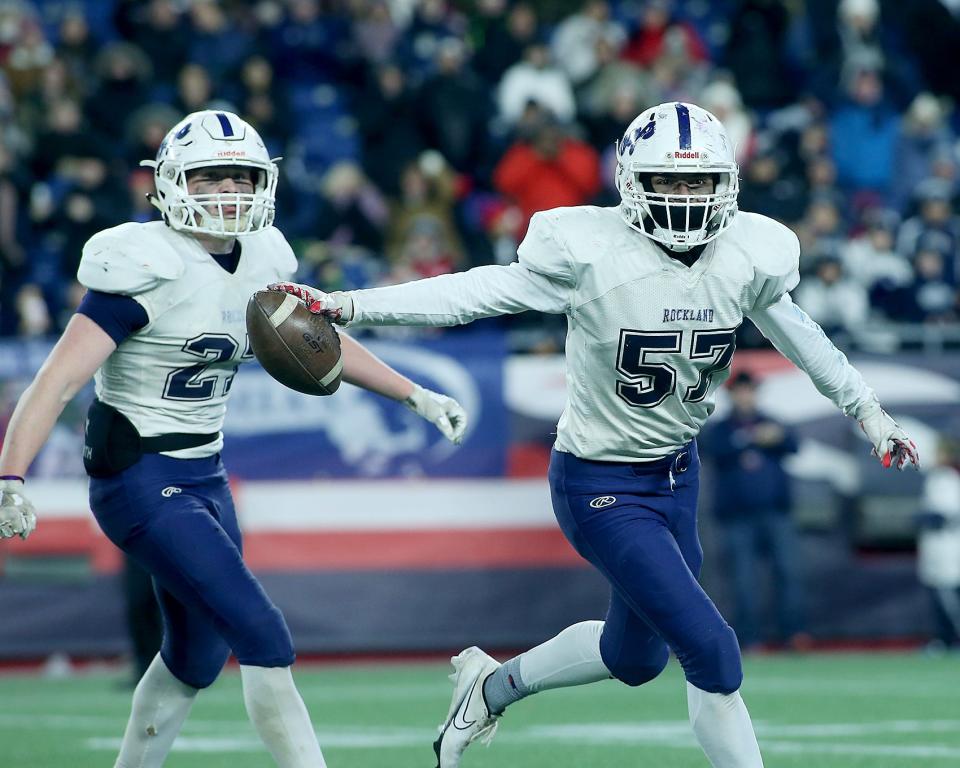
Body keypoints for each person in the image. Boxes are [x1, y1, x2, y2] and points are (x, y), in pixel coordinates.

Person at [272, 101, 920, 768]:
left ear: (726, 183)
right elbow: (474, 292)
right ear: (632, 182)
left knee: (633, 657)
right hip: (599, 482)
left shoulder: (747, 256)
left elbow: (800, 335)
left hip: (677, 474)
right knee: (713, 650)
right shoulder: (590, 250)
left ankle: (490, 688)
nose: (686, 199)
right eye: (668, 181)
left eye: (698, 182)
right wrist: (352, 305)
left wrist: (867, 411)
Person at [0, 109, 467, 768]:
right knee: (262, 632)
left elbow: (320, 343)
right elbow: (54, 382)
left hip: (204, 475)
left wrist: (413, 392)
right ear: (169, 183)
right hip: (137, 477)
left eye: (241, 178)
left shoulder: (265, 256)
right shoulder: (144, 261)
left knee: (192, 658)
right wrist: (9, 476)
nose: (228, 193)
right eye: (210, 177)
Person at [703, 370, 806, 651]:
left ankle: (793, 635)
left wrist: (774, 437)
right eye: (740, 390)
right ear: (732, 394)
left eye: (750, 390)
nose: (746, 396)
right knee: (743, 580)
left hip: (776, 512)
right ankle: (750, 639)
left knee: (788, 574)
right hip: (737, 516)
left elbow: (795, 445)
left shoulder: (772, 423)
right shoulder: (722, 428)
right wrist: (751, 438)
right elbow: (712, 448)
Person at [915, 435, 960, 652]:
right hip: (934, 545)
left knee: (948, 595)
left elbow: (945, 515)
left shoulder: (948, 479)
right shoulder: (935, 477)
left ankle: (952, 637)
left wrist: (924, 517)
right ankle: (943, 638)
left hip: (947, 544)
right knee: (936, 594)